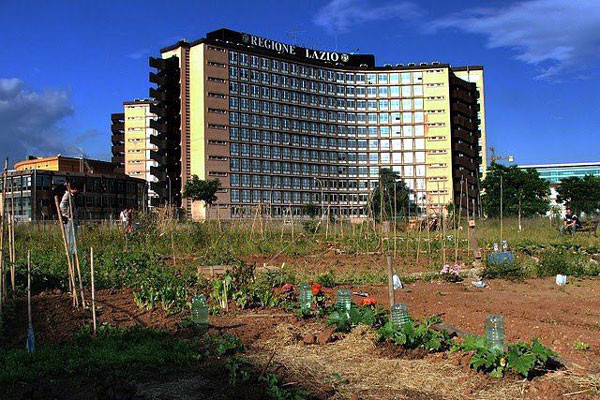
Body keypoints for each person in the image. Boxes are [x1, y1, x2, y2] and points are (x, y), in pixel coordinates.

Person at [59, 182, 81, 254]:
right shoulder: (67, 195)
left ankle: (73, 251)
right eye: (76, 190)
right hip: (69, 220)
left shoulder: (72, 196)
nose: (77, 191)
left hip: (73, 219)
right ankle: (70, 251)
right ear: (73, 189)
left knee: (74, 235)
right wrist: (67, 215)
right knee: (70, 235)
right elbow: (62, 205)